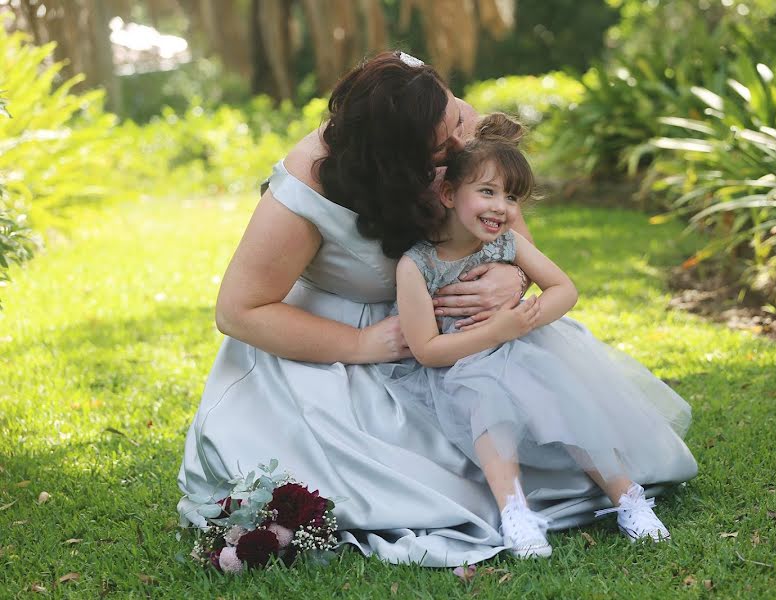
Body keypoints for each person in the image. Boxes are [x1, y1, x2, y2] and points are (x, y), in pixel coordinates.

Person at [177, 51, 695, 568]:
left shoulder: (436, 110)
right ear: (396, 159)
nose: (462, 141)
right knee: (410, 476)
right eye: (445, 142)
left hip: (465, 328)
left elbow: (508, 230)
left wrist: (510, 278)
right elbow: (238, 311)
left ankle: (612, 494)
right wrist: (361, 344)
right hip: (339, 342)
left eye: (456, 121)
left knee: (554, 416)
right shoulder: (305, 190)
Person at [379, 113, 698, 558]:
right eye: (487, 192)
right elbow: (428, 350)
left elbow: (565, 289)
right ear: (450, 194)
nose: (501, 208)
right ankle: (516, 512)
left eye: (511, 198)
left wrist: (523, 322)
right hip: (459, 364)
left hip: (523, 345)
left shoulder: (508, 244)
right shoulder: (417, 265)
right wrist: (497, 330)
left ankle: (626, 498)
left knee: (562, 391)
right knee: (486, 399)